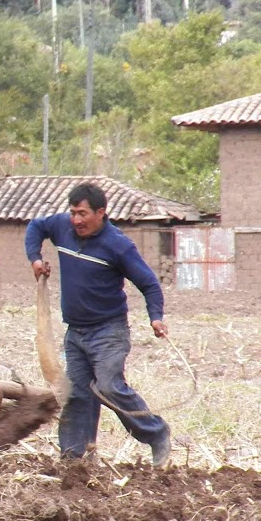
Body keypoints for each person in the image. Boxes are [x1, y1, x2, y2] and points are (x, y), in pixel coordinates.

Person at [26, 182, 173, 466]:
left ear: (102, 212)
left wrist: (156, 317)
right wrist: (35, 258)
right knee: (77, 395)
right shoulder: (61, 227)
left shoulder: (117, 245)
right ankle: (74, 458)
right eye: (73, 213)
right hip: (76, 332)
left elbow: (149, 284)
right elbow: (35, 227)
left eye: (83, 214)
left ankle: (157, 433)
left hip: (108, 331)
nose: (76, 220)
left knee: (108, 386)